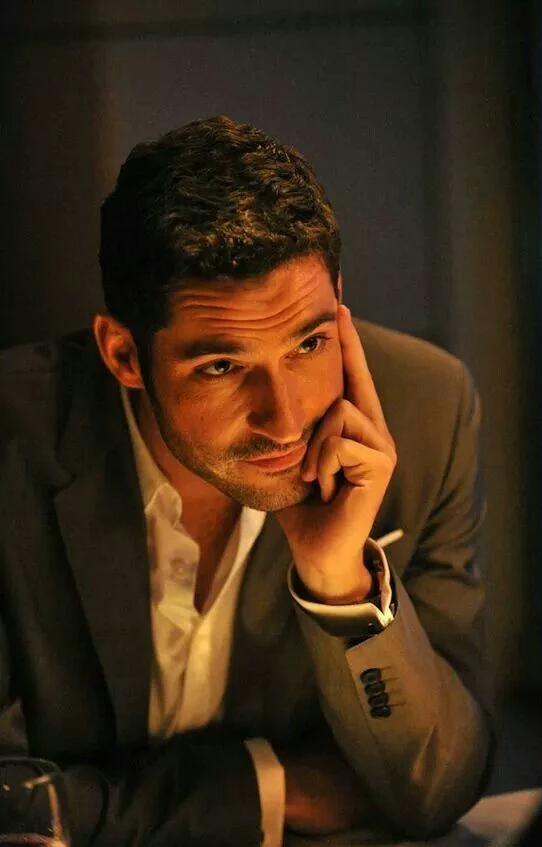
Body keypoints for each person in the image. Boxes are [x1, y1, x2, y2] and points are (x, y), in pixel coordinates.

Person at [0, 116, 493, 846]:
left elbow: (437, 790)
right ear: (124, 355)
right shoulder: (16, 441)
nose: (286, 420)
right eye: (223, 366)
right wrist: (268, 790)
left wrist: (341, 586)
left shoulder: (427, 411)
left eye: (310, 343)